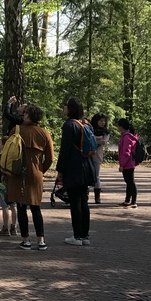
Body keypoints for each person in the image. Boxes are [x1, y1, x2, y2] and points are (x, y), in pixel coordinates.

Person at [5, 103, 54, 251]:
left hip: (19, 174)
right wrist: (40, 170)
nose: (23, 115)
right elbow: (50, 158)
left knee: (21, 207)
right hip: (36, 174)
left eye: (25, 113)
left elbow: (8, 154)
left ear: (28, 115)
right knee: (36, 208)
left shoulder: (17, 130)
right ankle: (41, 241)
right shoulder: (45, 133)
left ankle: (26, 240)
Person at [56, 97, 96, 247]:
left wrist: (60, 169)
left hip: (74, 168)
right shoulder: (87, 124)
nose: (64, 108)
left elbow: (65, 150)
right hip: (87, 166)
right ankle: (85, 236)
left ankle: (77, 236)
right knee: (84, 201)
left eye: (65, 106)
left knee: (75, 202)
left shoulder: (69, 125)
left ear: (70, 108)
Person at [0, 135, 18, 236]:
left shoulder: (2, 156)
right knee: (13, 205)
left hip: (3, 184)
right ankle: (14, 227)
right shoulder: (15, 156)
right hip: (13, 183)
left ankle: (5, 227)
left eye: (0, 143)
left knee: (5, 206)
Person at [115, 118, 140, 209]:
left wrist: (122, 165)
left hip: (128, 163)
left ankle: (133, 201)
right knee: (128, 182)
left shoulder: (126, 137)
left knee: (130, 182)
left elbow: (126, 152)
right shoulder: (127, 136)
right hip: (129, 163)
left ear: (121, 127)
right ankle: (127, 200)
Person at [90, 112, 110, 204]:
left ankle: (97, 197)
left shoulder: (106, 131)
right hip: (88, 155)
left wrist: (94, 139)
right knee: (86, 175)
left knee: (96, 176)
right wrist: (97, 139)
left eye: (104, 121)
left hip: (97, 155)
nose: (103, 123)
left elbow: (104, 141)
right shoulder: (90, 129)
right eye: (101, 121)